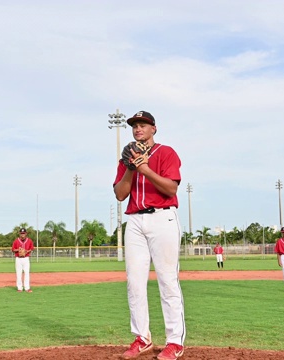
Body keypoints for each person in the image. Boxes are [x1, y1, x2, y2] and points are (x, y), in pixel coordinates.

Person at [113, 110, 186, 360]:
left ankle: (175, 342)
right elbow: (120, 194)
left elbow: (171, 188)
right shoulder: (127, 159)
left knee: (167, 280)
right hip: (134, 220)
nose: (137, 129)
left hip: (162, 217)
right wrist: (131, 168)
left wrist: (144, 168)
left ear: (154, 128)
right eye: (134, 126)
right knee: (134, 283)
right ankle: (142, 338)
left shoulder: (166, 153)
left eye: (143, 125)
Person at [11, 227, 35, 293]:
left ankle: (27, 288)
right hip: (18, 259)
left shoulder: (29, 240)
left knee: (27, 273)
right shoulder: (16, 241)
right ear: (19, 234)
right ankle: (19, 288)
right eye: (21, 233)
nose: (22, 234)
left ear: (26, 233)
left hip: (26, 259)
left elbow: (32, 248)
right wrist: (18, 250)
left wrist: (27, 251)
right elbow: (13, 249)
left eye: (24, 233)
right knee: (18, 274)